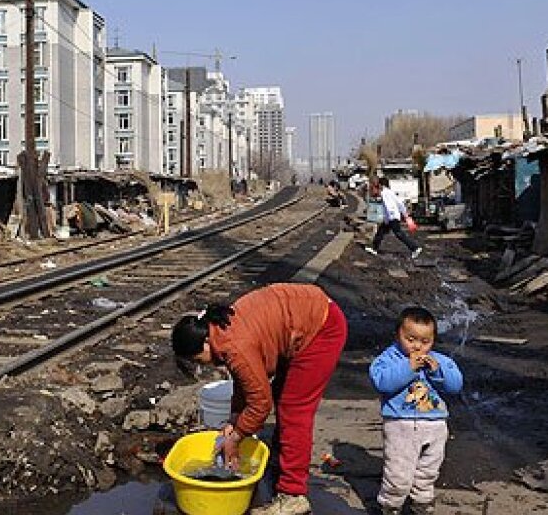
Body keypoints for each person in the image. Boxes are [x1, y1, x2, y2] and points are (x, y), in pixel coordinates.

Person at [172, 283, 348, 515]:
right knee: (279, 394)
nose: (201, 364)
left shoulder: (234, 347)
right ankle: (282, 459)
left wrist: (236, 438)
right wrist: (234, 419)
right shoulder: (221, 328)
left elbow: (260, 403)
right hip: (302, 318)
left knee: (294, 409)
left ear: (205, 343)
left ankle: (293, 494)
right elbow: (245, 382)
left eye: (197, 359)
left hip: (321, 329)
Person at [369, 307, 463, 515]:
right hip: (401, 423)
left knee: (428, 470)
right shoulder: (389, 359)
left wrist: (438, 371)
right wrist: (408, 368)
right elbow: (382, 382)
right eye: (410, 339)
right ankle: (391, 505)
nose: (417, 346)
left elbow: (455, 385)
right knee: (398, 472)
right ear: (398, 334)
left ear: (433, 340)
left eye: (425, 341)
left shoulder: (440, 360)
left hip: (435, 424)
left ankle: (421, 502)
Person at [365, 177, 422, 259]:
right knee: (381, 232)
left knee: (399, 234)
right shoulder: (390, 192)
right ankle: (374, 248)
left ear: (381, 185)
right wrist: (405, 214)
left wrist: (389, 218)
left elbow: (389, 207)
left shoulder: (384, 193)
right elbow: (400, 203)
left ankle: (415, 248)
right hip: (392, 217)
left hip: (392, 217)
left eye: (378, 185)